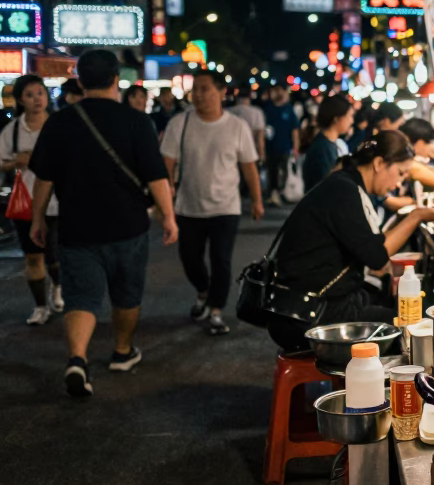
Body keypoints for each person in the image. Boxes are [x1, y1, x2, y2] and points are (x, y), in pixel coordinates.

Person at [28, 50, 178, 397]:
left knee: (81, 297)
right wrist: (169, 217)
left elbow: (44, 180)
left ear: (79, 81)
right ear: (116, 80)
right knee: (126, 293)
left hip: (77, 226)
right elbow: (157, 178)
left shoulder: (59, 122)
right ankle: (122, 352)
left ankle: (78, 358)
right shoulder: (137, 122)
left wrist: (38, 218)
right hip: (128, 227)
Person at [267, 131, 434, 351]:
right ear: (379, 163)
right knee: (416, 331)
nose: (398, 184)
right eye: (399, 173)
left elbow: (372, 244)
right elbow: (377, 257)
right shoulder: (344, 191)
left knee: (406, 312)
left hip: (313, 305)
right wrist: (416, 216)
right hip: (308, 315)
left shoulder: (345, 183)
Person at [161, 71, 263, 336]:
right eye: (196, 89)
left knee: (221, 260)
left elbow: (248, 167)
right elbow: (167, 164)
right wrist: (165, 199)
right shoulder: (179, 124)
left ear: (221, 93)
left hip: (225, 207)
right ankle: (203, 291)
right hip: (188, 206)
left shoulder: (236, 126)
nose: (198, 94)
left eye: (205, 89)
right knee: (190, 259)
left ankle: (216, 310)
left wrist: (256, 200)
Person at [2, 75, 63, 325]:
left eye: (40, 93)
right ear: (20, 100)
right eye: (29, 95)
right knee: (33, 256)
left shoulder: (59, 125)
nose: (37, 99)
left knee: (55, 253)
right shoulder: (13, 129)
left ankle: (58, 286)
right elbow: (1, 161)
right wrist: (17, 162)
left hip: (58, 201)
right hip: (26, 203)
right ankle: (40, 307)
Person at [303, 95, 356, 192]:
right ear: (336, 119)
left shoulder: (329, 143)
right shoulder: (323, 148)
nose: (352, 121)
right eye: (350, 116)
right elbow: (327, 184)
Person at [262, 83, 300, 206]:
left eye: (279, 90)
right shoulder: (268, 108)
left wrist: (295, 148)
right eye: (274, 90)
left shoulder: (289, 109)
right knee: (271, 171)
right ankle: (273, 193)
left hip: (285, 147)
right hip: (270, 147)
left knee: (284, 171)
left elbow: (295, 130)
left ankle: (282, 192)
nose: (276, 93)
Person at [226, 88, 266, 161]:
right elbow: (260, 136)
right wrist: (262, 155)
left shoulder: (227, 112)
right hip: (251, 151)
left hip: (230, 151)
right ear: (249, 98)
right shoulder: (257, 112)